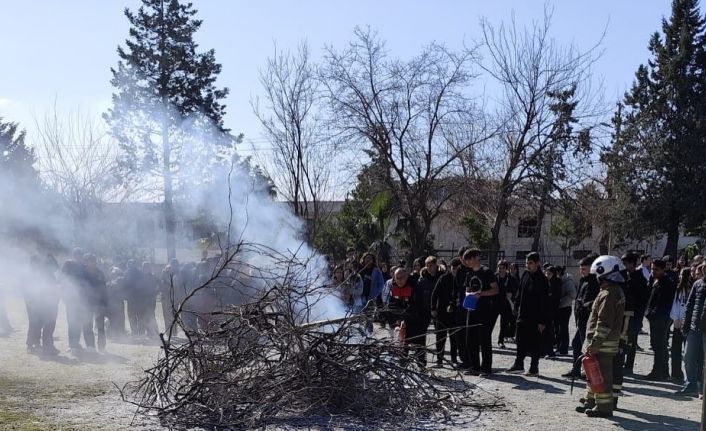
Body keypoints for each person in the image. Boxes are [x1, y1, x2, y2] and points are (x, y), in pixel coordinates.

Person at [575, 255, 625, 418]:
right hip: (601, 343)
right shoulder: (609, 291)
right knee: (593, 373)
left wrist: (595, 342)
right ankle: (591, 401)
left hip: (602, 344)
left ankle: (604, 407)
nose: (596, 277)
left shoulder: (609, 293)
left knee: (602, 376)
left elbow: (604, 322)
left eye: (597, 274)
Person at [454, 249, 499, 376]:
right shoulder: (469, 273)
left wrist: (481, 294)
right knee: (471, 338)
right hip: (471, 309)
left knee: (484, 340)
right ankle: (474, 366)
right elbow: (467, 289)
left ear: (475, 258)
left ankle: (486, 368)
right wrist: (468, 295)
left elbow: (495, 290)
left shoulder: (486, 272)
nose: (466, 262)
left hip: (485, 310)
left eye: (468, 259)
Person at [506, 252, 549, 377]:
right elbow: (520, 291)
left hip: (535, 317)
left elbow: (545, 302)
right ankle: (518, 364)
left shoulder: (542, 279)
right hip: (523, 314)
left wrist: (542, 321)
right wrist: (516, 305)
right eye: (526, 263)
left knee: (535, 342)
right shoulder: (525, 275)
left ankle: (534, 368)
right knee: (520, 340)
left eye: (530, 263)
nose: (528, 265)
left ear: (537, 263)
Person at [562, 255, 599, 378]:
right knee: (577, 344)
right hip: (581, 319)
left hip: (588, 320)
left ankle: (591, 373)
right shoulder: (584, 280)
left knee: (586, 347)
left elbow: (591, 301)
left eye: (584, 269)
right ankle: (576, 370)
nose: (581, 271)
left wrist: (584, 307)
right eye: (580, 268)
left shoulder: (594, 282)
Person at [644, 258, 676, 381]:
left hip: (661, 318)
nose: (653, 271)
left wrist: (652, 314)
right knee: (658, 344)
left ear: (663, 269)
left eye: (656, 269)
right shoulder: (655, 280)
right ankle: (663, 371)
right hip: (655, 317)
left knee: (659, 345)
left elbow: (663, 303)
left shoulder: (667, 283)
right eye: (652, 269)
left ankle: (658, 372)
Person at [25, 254, 60, 355]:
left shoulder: (51, 275)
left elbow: (54, 289)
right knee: (35, 323)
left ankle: (47, 345)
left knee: (50, 324)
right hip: (36, 302)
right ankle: (31, 344)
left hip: (50, 302)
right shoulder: (36, 274)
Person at [680, 263, 706, 395]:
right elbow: (689, 305)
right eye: (704, 267)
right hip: (694, 327)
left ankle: (702, 388)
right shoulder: (697, 284)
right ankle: (691, 385)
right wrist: (685, 324)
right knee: (688, 357)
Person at [621, 252, 650, 375]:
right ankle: (620, 362)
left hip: (634, 316)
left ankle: (629, 366)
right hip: (623, 314)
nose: (624, 266)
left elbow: (643, 300)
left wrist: (637, 317)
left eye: (626, 263)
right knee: (621, 341)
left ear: (632, 263)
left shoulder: (640, 279)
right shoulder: (624, 277)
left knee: (631, 341)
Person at [61, 248, 93, 355]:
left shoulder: (84, 267)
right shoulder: (68, 264)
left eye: (80, 255)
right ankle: (72, 346)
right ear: (73, 255)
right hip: (72, 299)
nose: (78, 256)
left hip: (83, 300)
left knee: (82, 322)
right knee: (73, 323)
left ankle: (79, 344)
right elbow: (63, 279)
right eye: (76, 254)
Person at [431, 257, 461, 366]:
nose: (455, 270)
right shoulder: (443, 278)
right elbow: (435, 294)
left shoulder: (462, 279)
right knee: (440, 337)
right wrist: (433, 308)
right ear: (450, 268)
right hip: (442, 312)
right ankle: (439, 359)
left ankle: (454, 359)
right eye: (453, 268)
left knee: (454, 337)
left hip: (455, 312)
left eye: (457, 268)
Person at [669, 268, 691, 384]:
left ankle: (690, 377)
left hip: (689, 324)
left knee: (688, 353)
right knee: (675, 350)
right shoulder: (678, 289)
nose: (680, 276)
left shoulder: (693, 288)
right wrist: (675, 318)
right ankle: (676, 374)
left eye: (682, 274)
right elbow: (675, 304)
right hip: (678, 323)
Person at [83, 253, 108, 352]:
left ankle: (102, 346)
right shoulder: (83, 273)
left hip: (99, 303)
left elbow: (104, 288)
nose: (92, 263)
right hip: (87, 303)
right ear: (87, 262)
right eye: (90, 261)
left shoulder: (100, 273)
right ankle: (90, 346)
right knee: (87, 325)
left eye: (93, 261)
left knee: (101, 326)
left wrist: (105, 303)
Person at [496, 260, 519, 348]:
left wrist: (511, 294)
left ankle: (500, 341)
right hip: (494, 304)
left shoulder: (511, 279)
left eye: (503, 268)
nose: (501, 270)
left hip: (506, 304)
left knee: (504, 324)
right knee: (489, 323)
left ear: (506, 269)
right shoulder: (494, 277)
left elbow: (516, 290)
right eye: (499, 268)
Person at [555, 266, 576, 355]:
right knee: (558, 329)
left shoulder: (567, 281)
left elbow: (572, 295)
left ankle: (564, 349)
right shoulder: (559, 280)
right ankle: (559, 347)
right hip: (559, 308)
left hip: (565, 308)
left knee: (563, 329)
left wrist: (561, 302)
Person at [543, 266, 562, 358]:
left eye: (549, 274)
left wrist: (549, 295)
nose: (547, 275)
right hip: (545, 309)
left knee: (550, 331)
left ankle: (550, 351)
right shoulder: (545, 282)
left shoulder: (557, 282)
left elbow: (555, 295)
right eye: (546, 273)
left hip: (553, 310)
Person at [160, 258, 181, 335]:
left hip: (173, 297)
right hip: (168, 296)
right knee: (170, 316)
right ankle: (171, 333)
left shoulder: (176, 272)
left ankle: (172, 333)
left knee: (172, 315)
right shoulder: (166, 271)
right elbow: (166, 282)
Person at [139, 262, 160, 337]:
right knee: (142, 315)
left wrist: (155, 293)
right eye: (144, 267)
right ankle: (142, 332)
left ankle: (152, 332)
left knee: (151, 315)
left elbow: (158, 286)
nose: (146, 269)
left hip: (150, 299)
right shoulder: (140, 276)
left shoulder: (153, 276)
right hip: (142, 300)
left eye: (147, 267)